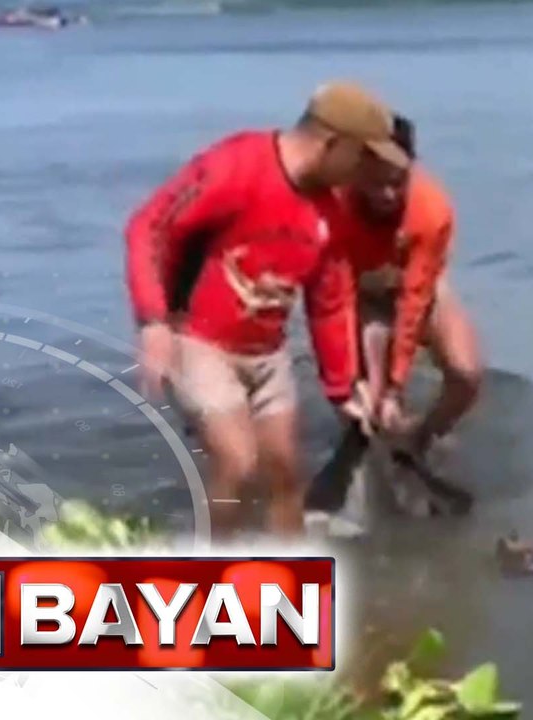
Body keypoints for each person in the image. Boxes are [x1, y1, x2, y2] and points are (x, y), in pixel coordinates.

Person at [124, 82, 410, 540]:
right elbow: (149, 227)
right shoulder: (237, 165)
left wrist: (343, 389)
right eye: (363, 159)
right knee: (238, 461)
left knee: (285, 475)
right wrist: (153, 321)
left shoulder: (329, 212)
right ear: (333, 143)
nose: (364, 175)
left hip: (266, 353)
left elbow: (330, 301)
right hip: (196, 339)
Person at [306, 114, 484, 520]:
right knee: (362, 399)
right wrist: (359, 380)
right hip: (359, 295)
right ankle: (362, 448)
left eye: (397, 180)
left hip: (417, 288)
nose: (387, 193)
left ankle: (419, 441)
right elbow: (327, 298)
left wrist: (396, 383)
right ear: (356, 170)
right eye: (375, 181)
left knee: (467, 373)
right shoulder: (331, 206)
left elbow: (415, 299)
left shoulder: (431, 208)